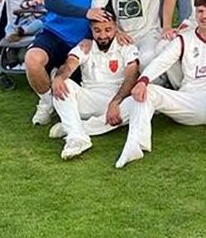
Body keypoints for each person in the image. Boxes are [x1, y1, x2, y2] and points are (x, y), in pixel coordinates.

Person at [114, 0, 206, 168]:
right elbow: (162, 61)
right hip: (189, 101)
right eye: (200, 11)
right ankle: (135, 145)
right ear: (195, 14)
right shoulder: (184, 38)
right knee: (149, 90)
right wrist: (143, 80)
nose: (204, 16)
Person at [25, 0, 107, 125]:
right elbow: (52, 2)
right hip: (55, 34)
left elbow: (106, 11)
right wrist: (85, 12)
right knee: (32, 60)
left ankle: (59, 93)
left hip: (84, 41)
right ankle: (46, 103)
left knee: (80, 93)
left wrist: (91, 35)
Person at [49, 15, 140, 160]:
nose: (103, 35)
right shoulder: (86, 46)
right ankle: (78, 138)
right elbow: (70, 64)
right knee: (62, 83)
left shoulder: (126, 46)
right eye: (97, 30)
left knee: (138, 102)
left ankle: (72, 127)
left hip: (116, 103)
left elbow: (131, 77)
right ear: (91, 30)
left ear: (116, 28)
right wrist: (59, 77)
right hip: (89, 99)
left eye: (108, 30)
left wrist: (115, 102)